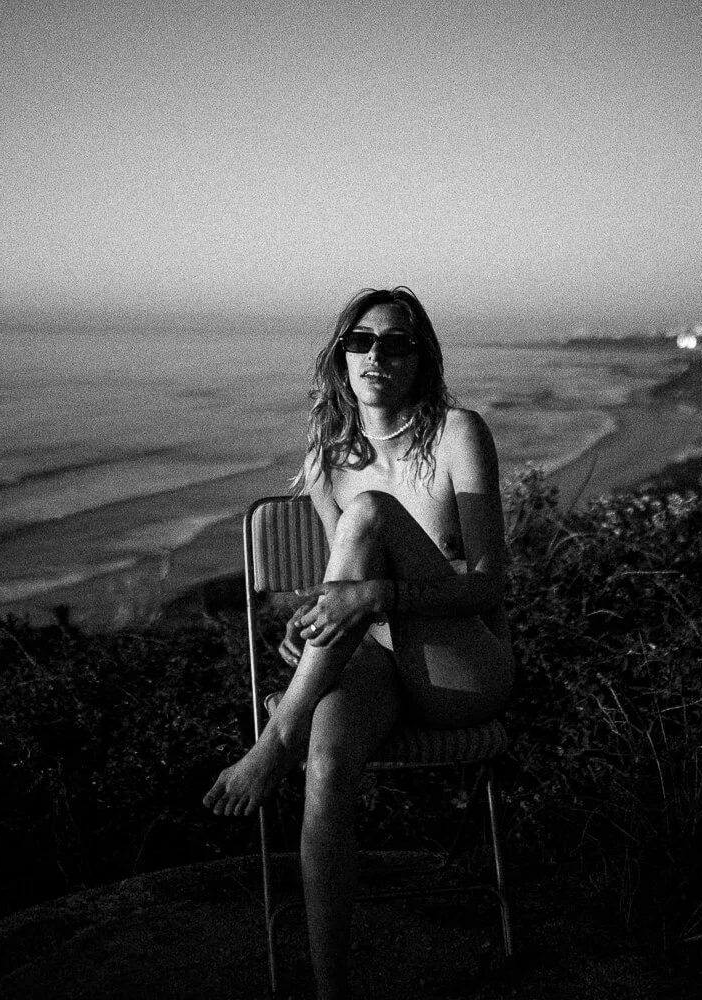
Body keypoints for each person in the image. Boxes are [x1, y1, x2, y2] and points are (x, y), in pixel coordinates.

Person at [203, 286, 515, 998]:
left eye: (397, 342)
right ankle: (330, 990)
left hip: (461, 669)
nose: (379, 354)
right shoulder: (327, 452)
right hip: (373, 659)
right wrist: (310, 617)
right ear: (341, 355)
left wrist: (385, 596)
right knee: (327, 763)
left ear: (421, 357)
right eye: (362, 340)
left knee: (372, 509)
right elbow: (340, 579)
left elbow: (488, 585)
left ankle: (275, 734)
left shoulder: (458, 433)